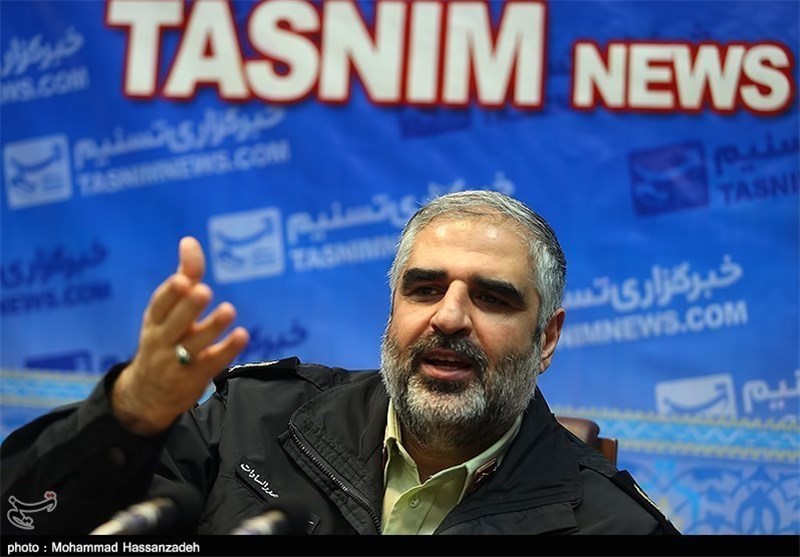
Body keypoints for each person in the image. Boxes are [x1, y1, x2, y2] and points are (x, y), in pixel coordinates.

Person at [1, 190, 680, 536]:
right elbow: (22, 523)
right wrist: (127, 418)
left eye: (492, 298)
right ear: (393, 308)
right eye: (424, 289)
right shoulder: (251, 423)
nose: (449, 317)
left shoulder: (612, 524)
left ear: (547, 338)